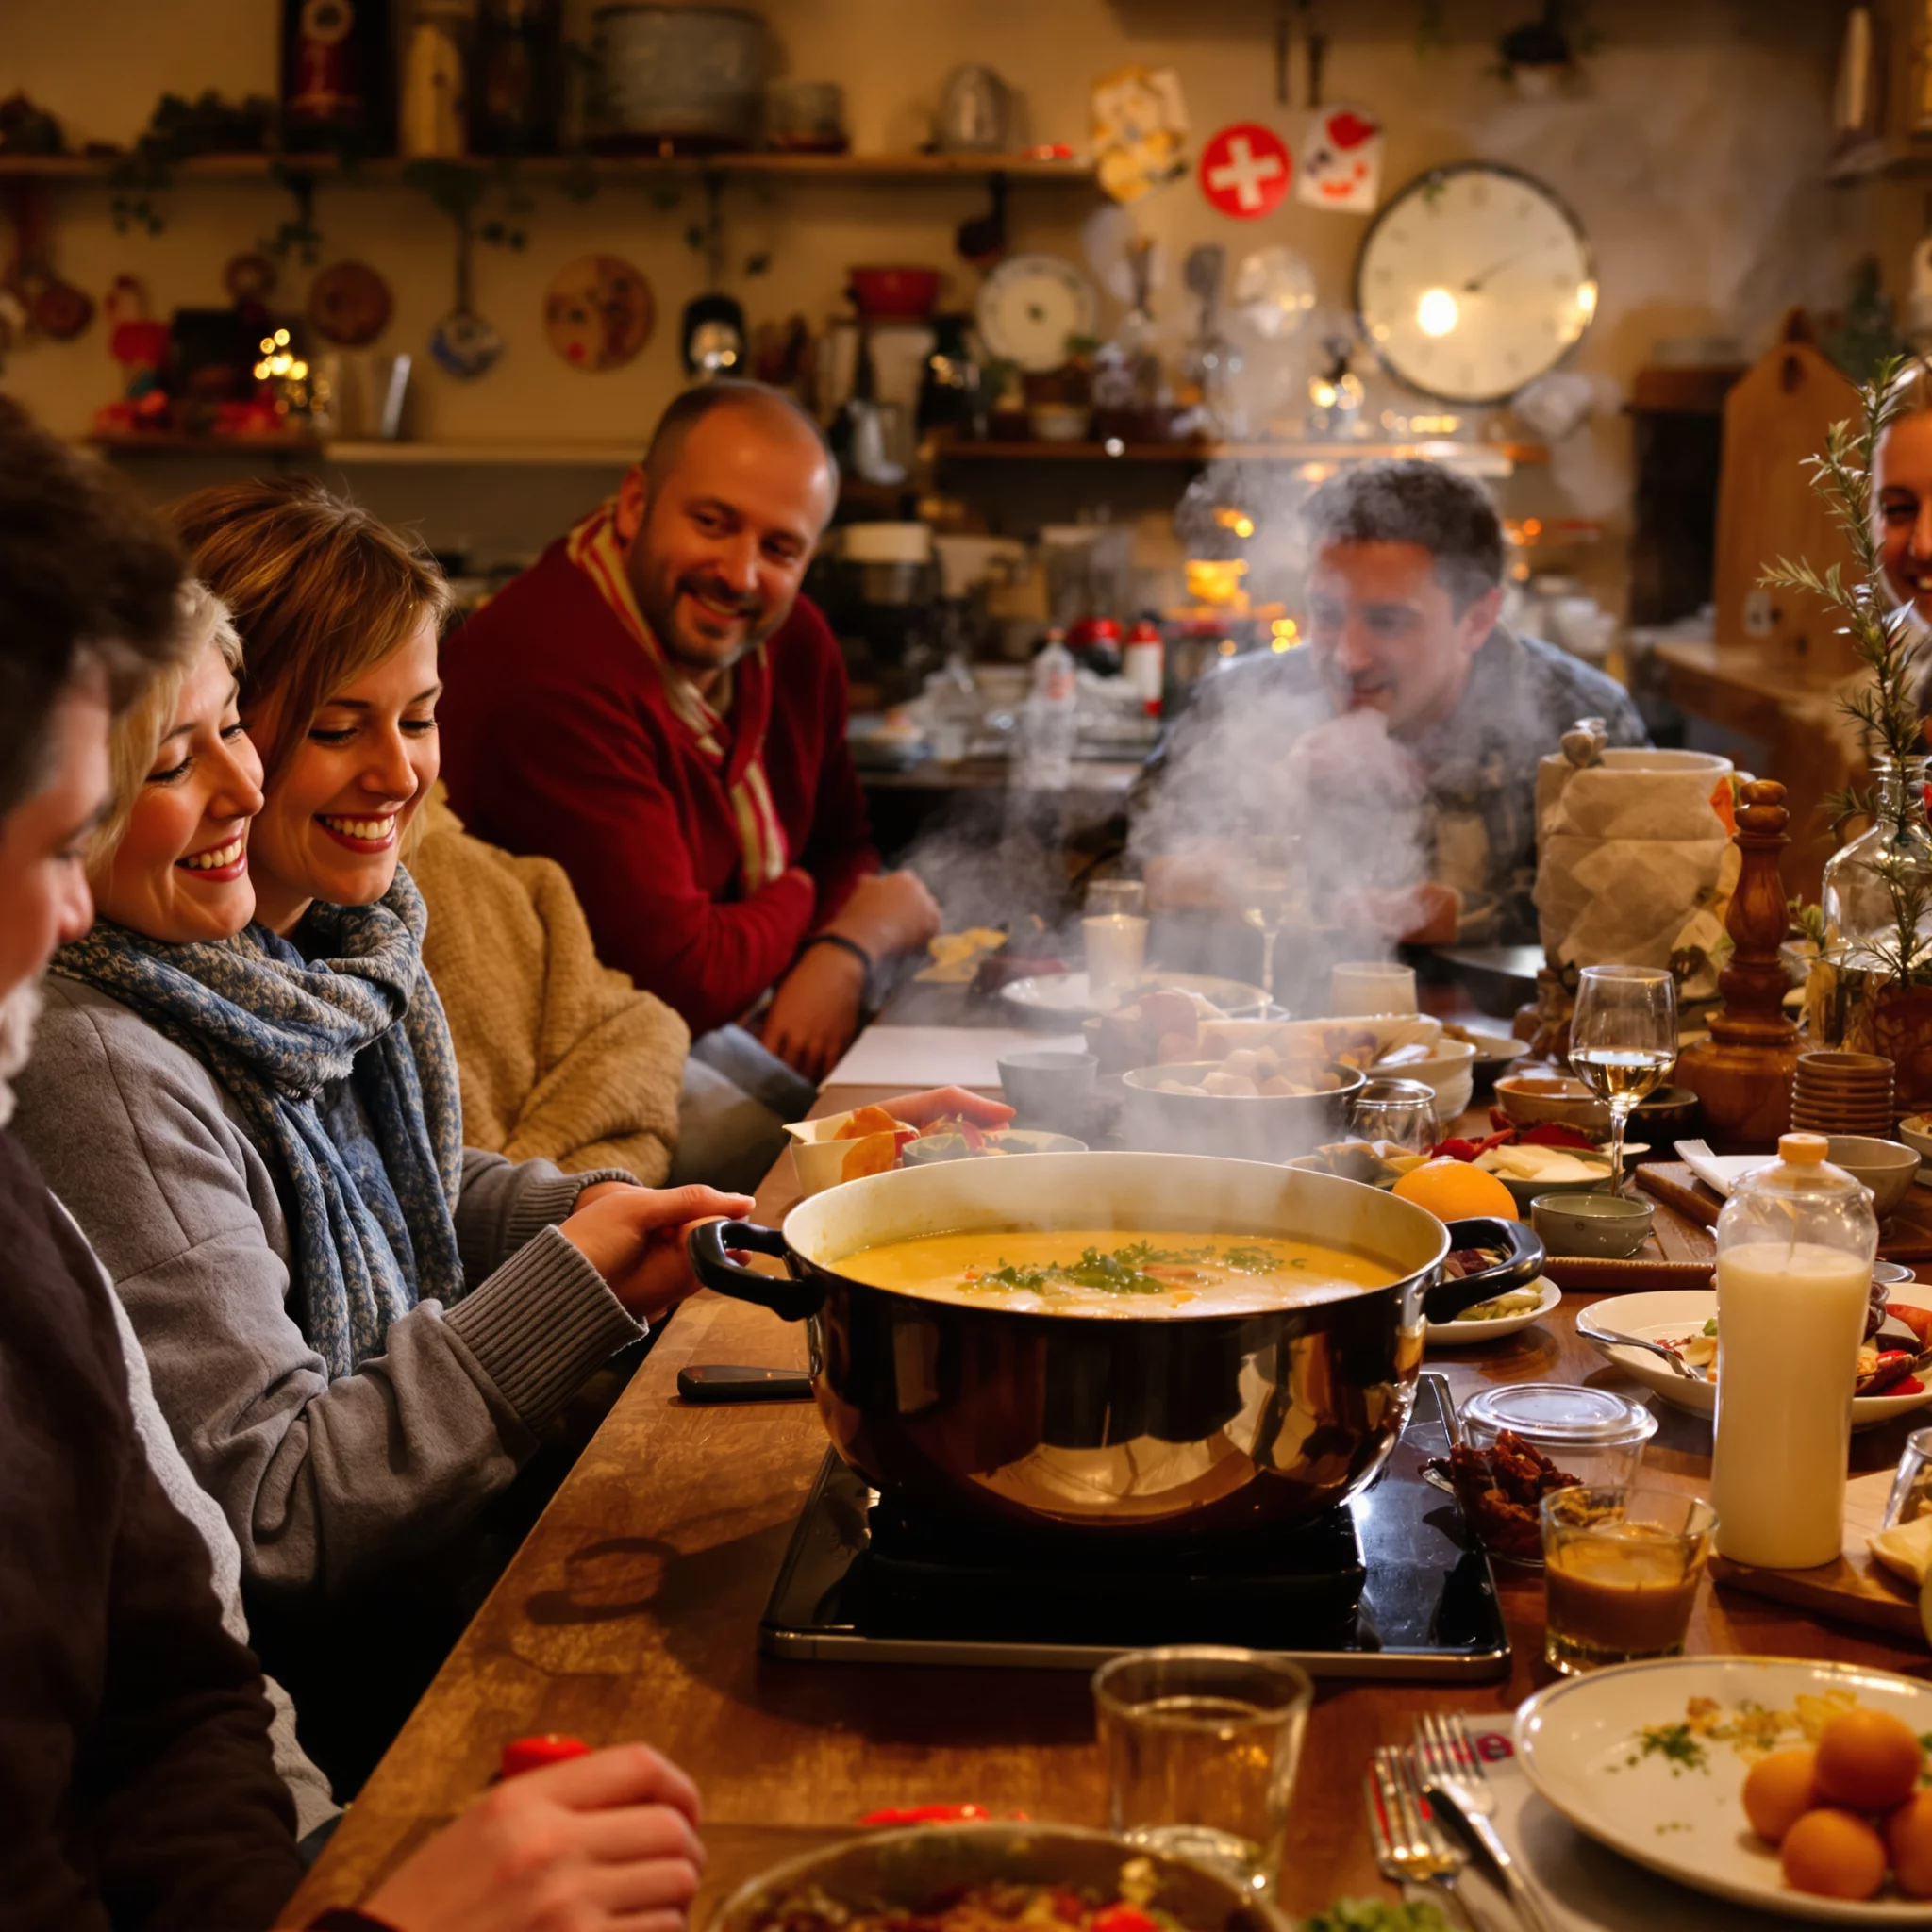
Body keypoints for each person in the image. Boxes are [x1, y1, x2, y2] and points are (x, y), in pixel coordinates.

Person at [0, 396, 708, 1932]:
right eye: (327, 726)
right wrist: (568, 1289)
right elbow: (271, 1524)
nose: (258, 789)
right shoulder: (99, 1057)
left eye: (421, 715)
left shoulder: (317, 959)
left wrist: (592, 1217)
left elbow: (391, 1188)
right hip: (367, 1695)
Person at [436, 379, 942, 1138]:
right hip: (566, 1070)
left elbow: (844, 843)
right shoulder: (548, 674)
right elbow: (685, 979)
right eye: (713, 523)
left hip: (728, 1024)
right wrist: (822, 907)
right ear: (635, 504)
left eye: (779, 549)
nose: (740, 574)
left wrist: (839, 957)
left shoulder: (795, 642)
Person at [1133, 458, 1649, 946]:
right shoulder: (1238, 700)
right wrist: (1261, 809)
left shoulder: (1581, 723)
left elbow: (1637, 916)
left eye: (1388, 622)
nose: (1348, 657)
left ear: (1477, 621)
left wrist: (1463, 917)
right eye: (1326, 614)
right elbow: (1114, 865)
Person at [410, 782, 690, 1186]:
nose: (403, 778)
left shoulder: (486, 872)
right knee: (751, 1133)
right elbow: (692, 968)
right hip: (546, 1186)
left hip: (596, 1145)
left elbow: (647, 1024)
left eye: (416, 729)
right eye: (335, 742)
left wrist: (539, 1181)